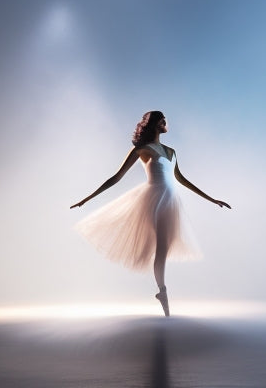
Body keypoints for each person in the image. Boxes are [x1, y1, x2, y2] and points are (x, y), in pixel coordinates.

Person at [71, 111, 230, 316]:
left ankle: (161, 293)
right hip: (152, 200)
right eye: (163, 120)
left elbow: (182, 179)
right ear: (155, 124)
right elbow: (116, 177)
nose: (166, 123)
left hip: (171, 201)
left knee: (163, 248)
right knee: (160, 247)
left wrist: (212, 199)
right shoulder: (141, 149)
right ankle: (163, 293)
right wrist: (88, 198)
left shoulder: (171, 151)